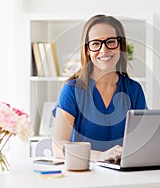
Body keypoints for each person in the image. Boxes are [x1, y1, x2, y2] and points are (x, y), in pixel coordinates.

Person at [52, 14, 147, 162]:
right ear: (87, 50)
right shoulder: (71, 90)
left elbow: (144, 140)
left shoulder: (134, 90)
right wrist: (99, 156)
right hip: (84, 176)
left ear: (120, 46)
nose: (104, 50)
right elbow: (58, 146)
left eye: (110, 42)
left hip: (124, 177)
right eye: (96, 44)